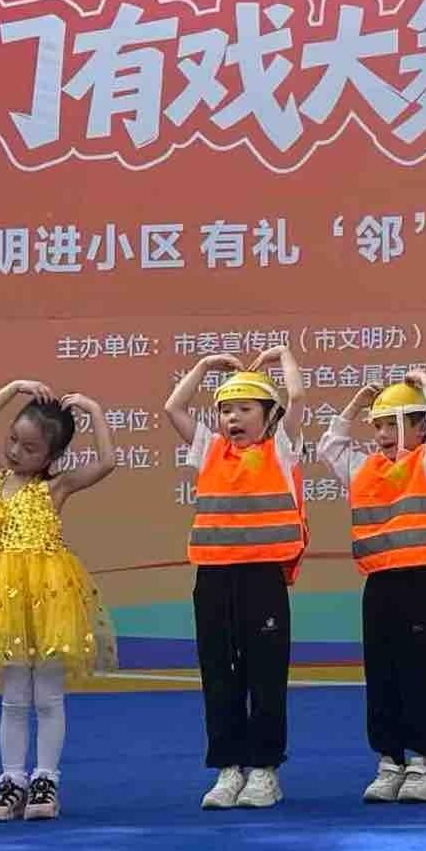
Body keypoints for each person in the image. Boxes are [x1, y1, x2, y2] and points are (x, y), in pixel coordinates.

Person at [0, 378, 118, 822]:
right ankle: (12, 781)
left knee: (47, 696)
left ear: (51, 458)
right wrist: (12, 388)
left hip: (49, 599)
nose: (15, 452)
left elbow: (107, 462)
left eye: (29, 449)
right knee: (13, 696)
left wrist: (92, 409)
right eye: (13, 440)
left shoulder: (55, 488)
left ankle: (46, 778)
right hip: (3, 601)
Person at [165, 347, 308, 810]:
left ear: (269, 417)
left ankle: (265, 770)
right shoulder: (209, 449)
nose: (233, 418)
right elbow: (173, 408)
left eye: (245, 409)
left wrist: (282, 356)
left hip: (263, 577)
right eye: (226, 410)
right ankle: (228, 768)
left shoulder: (279, 449)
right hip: (213, 577)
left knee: (265, 674)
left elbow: (298, 397)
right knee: (218, 673)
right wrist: (204, 367)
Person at [322, 369, 426, 803]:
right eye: (379, 425)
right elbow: (330, 448)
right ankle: (389, 760)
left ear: (421, 428)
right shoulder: (364, 468)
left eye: (394, 424)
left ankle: (423, 763)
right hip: (379, 586)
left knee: (420, 676)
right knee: (381, 677)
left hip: (422, 584)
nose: (383, 434)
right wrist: (354, 406)